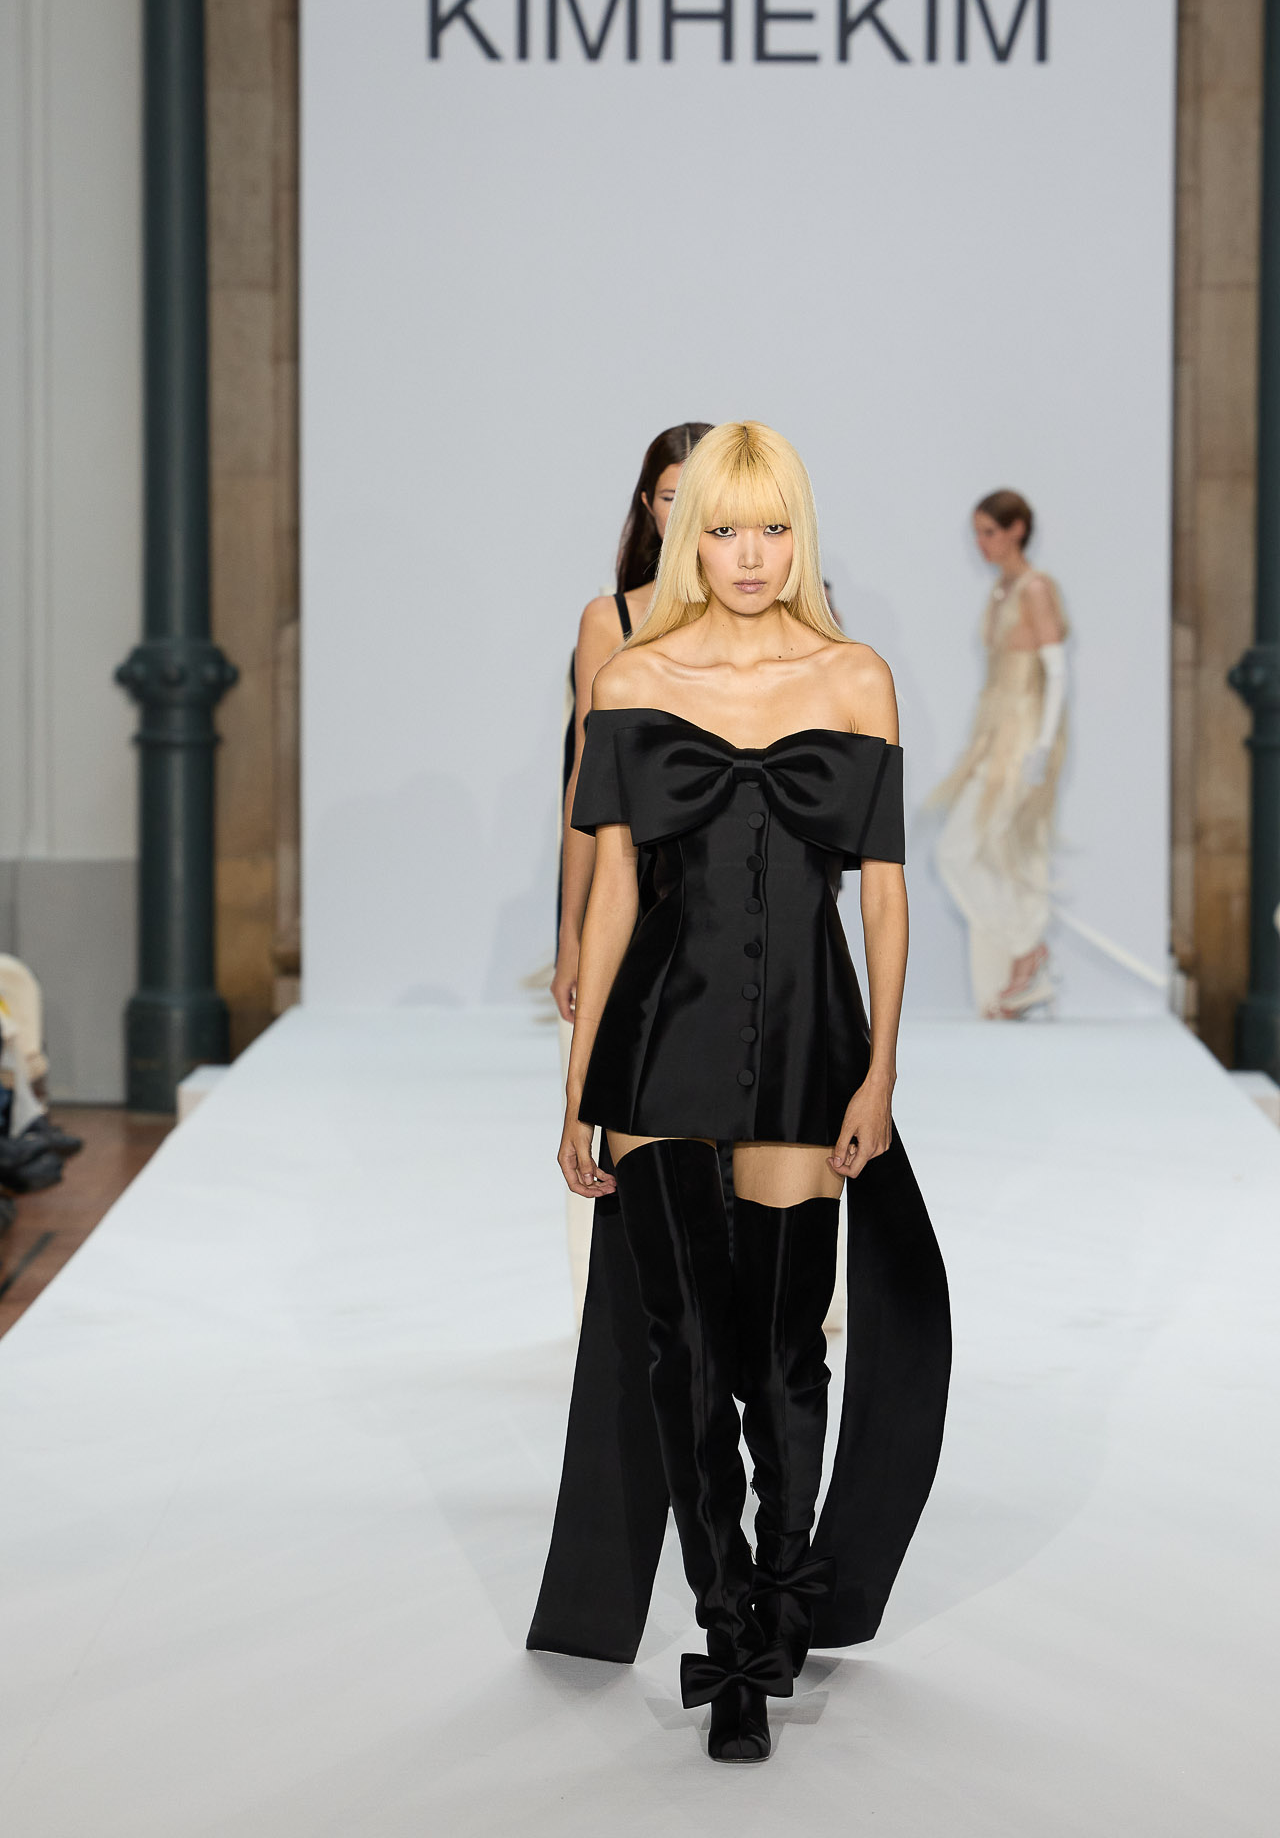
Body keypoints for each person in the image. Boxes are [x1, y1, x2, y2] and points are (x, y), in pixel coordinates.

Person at [527, 422, 951, 1765]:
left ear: (798, 536)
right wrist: (577, 1088)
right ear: (682, 535)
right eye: (722, 529)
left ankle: (779, 1605)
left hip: (812, 1036)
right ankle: (726, 1634)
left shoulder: (856, 676)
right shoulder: (636, 674)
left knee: (783, 1348)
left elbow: (886, 898)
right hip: (662, 1035)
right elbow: (609, 895)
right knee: (685, 1347)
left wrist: (882, 1066)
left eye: (771, 530)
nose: (749, 556)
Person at [552, 423, 711, 1324]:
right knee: (620, 1113)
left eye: (703, 500)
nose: (685, 518)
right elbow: (589, 786)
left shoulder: (782, 626)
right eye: (671, 498)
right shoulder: (608, 622)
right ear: (648, 508)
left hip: (724, 902)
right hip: (634, 894)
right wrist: (569, 934)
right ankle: (625, 1328)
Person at [932, 490, 1069, 1017]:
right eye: (977, 532)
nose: (981, 542)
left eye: (989, 531)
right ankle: (1015, 975)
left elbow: (1056, 671)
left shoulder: (1035, 589)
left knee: (974, 849)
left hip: (1022, 732)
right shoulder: (1001, 590)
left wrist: (1042, 746)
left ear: (1017, 531)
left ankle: (1026, 954)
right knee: (990, 852)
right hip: (995, 729)